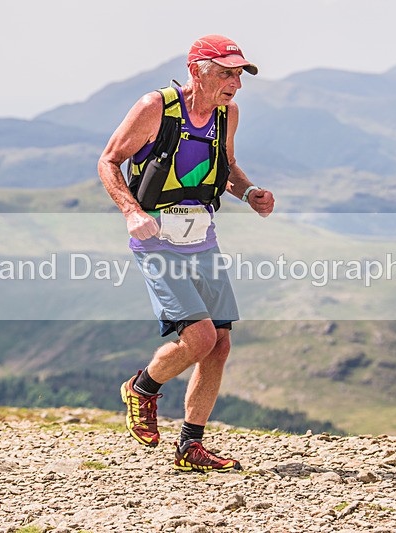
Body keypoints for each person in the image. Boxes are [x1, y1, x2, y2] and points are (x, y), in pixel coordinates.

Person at [97, 34, 274, 472]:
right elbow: (108, 161)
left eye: (239, 74)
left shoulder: (227, 114)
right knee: (199, 338)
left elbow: (226, 168)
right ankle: (142, 388)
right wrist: (131, 211)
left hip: (202, 240)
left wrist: (248, 191)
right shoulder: (155, 107)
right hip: (156, 239)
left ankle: (190, 448)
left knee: (220, 344)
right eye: (226, 73)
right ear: (197, 70)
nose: (235, 83)